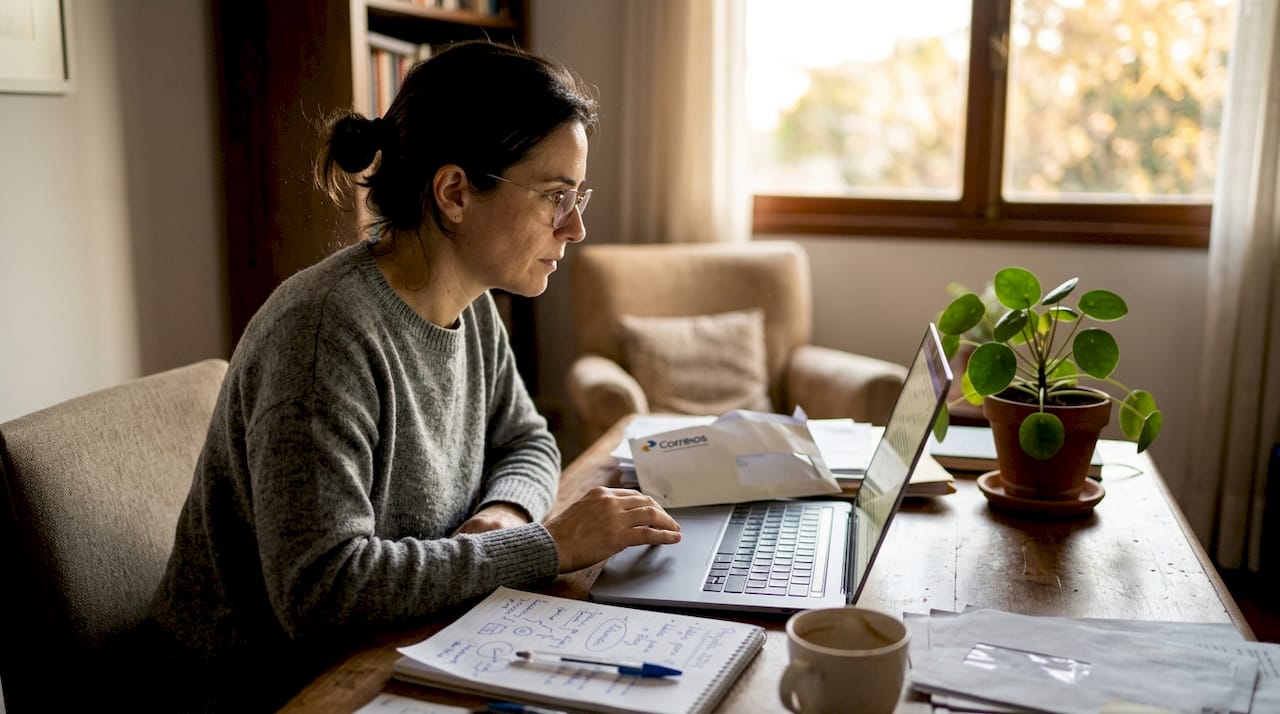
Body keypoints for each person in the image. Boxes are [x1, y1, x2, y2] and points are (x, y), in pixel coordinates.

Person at [144, 41, 681, 712]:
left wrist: (505, 515)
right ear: (455, 193)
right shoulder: (323, 334)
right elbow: (322, 592)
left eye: (578, 196)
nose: (575, 228)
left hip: (408, 643)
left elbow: (527, 438)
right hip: (267, 687)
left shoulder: (472, 304)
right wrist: (546, 545)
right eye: (555, 196)